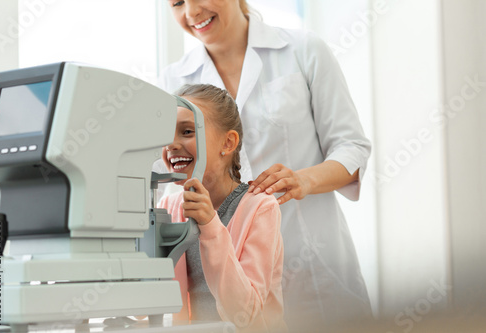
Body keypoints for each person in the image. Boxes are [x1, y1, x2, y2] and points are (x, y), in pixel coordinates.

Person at [159, 0, 373, 331]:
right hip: (223, 285)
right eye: (176, 3)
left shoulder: (303, 49)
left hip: (314, 264)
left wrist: (305, 180)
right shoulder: (174, 79)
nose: (190, 13)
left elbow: (352, 147)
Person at [158, 84, 287, 333]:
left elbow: (245, 314)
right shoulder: (167, 207)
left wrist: (210, 225)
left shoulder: (259, 207)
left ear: (228, 143)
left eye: (186, 131)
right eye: (166, 135)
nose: (171, 145)